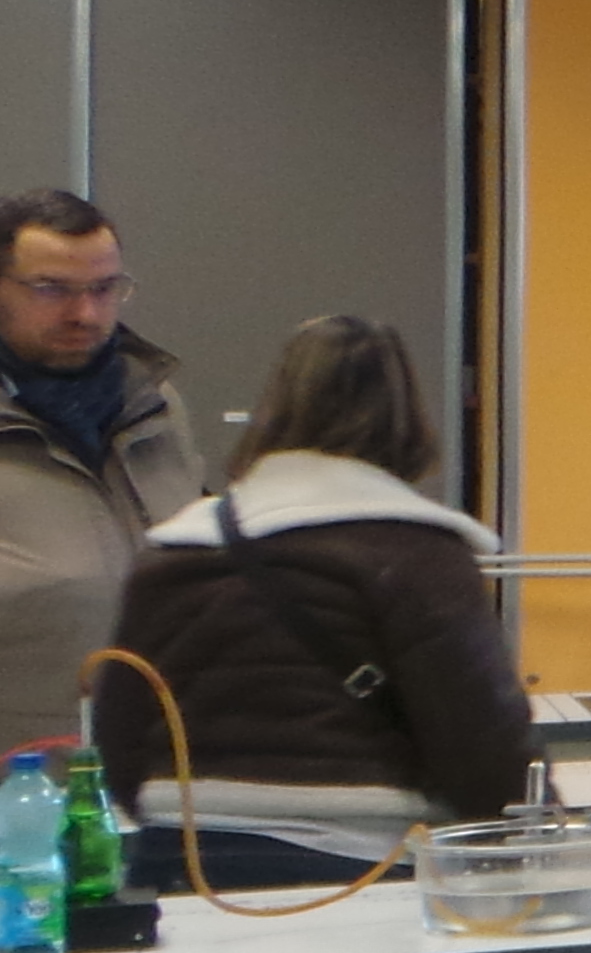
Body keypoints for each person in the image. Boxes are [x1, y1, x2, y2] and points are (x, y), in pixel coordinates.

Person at [94, 317, 534, 890]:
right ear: (408, 419)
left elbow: (119, 737)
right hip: (352, 863)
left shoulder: (173, 553)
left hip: (177, 860)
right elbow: (481, 741)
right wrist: (534, 836)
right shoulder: (417, 554)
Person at [0, 190, 195, 743]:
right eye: (51, 289)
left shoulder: (154, 407)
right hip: (22, 773)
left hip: (161, 763)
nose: (84, 314)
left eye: (104, 289)